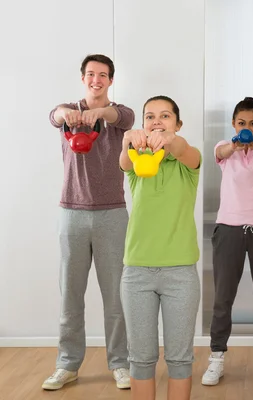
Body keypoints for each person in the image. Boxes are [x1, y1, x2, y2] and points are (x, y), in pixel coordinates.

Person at [44, 54, 134, 391]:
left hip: (112, 214)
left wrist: (100, 113)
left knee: (116, 297)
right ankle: (67, 365)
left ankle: (120, 363)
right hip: (71, 213)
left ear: (111, 80)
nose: (97, 80)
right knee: (70, 295)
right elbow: (54, 115)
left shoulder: (121, 115)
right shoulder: (67, 111)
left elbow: (119, 115)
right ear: (83, 78)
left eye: (103, 75)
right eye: (91, 74)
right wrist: (67, 114)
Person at [119, 95, 202, 400]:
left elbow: (183, 150)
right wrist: (129, 138)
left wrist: (170, 141)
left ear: (178, 124)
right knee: (140, 360)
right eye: (150, 116)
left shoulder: (187, 164)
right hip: (137, 273)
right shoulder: (136, 164)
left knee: (180, 359)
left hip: (180, 274)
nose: (157, 121)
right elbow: (124, 161)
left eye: (165, 116)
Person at [202, 96, 253, 387]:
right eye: (241, 123)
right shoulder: (225, 151)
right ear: (233, 124)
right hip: (229, 228)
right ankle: (216, 357)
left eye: (252, 123)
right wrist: (236, 142)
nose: (246, 127)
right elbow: (223, 151)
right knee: (223, 299)